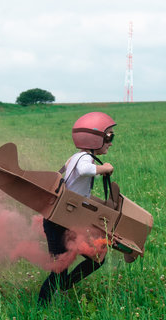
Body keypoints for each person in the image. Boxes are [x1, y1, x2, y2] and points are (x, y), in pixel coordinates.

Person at [37, 112, 116, 305]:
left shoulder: (77, 156)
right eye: (109, 137)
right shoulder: (84, 159)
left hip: (68, 219)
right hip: (59, 222)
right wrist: (105, 168)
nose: (111, 143)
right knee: (59, 267)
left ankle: (65, 287)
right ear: (95, 138)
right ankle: (41, 307)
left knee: (96, 258)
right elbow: (84, 170)